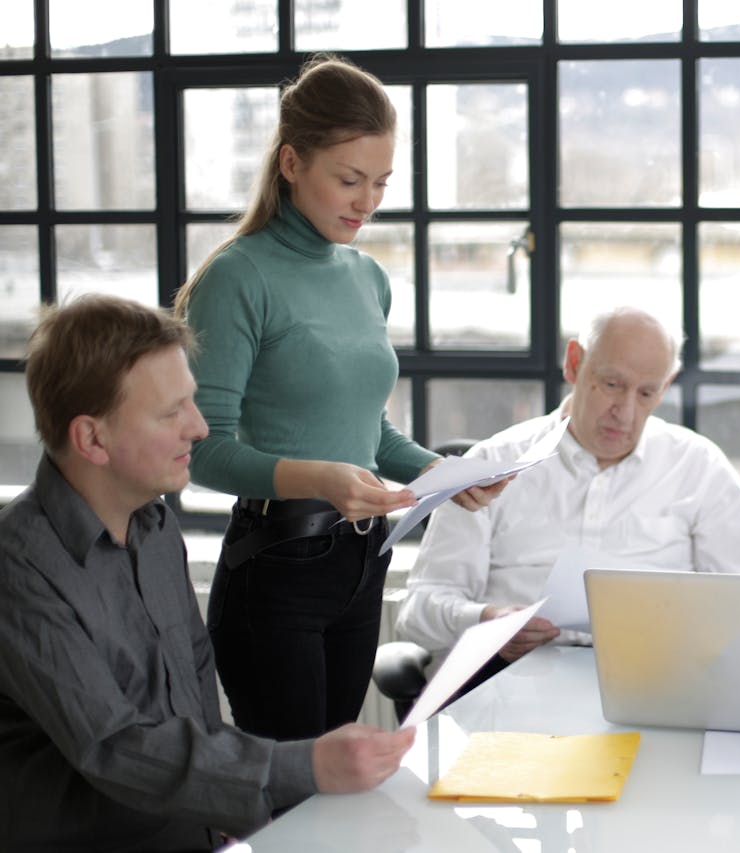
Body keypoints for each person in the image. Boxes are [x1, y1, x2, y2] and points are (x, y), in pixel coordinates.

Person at [0, 295, 414, 852]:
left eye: (191, 403)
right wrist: (305, 766)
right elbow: (115, 747)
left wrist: (231, 813)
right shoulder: (16, 564)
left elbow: (192, 701)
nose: (198, 428)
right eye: (172, 412)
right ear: (92, 439)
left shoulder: (155, 527)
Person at [172, 55, 500, 741]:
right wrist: (316, 478)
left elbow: (365, 430)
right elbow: (203, 450)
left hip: (363, 557)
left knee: (339, 785)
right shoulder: (239, 277)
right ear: (291, 163)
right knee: (296, 799)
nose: (367, 201)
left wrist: (434, 471)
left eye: (380, 182)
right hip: (277, 567)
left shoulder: (367, 277)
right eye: (349, 179)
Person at [395, 307, 740, 677]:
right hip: (513, 682)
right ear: (574, 363)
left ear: (666, 386)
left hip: (654, 683)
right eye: (612, 384)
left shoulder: (699, 468)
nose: (624, 411)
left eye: (646, 393)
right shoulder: (493, 465)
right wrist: (486, 620)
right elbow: (417, 613)